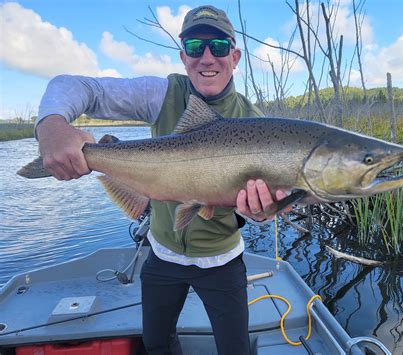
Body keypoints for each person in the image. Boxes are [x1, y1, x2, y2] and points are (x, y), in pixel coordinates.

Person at [35, 5, 288, 355]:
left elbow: (261, 211)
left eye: (217, 45)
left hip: (222, 262)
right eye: (196, 47)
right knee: (156, 343)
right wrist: (51, 124)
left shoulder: (256, 124)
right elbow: (74, 86)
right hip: (163, 255)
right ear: (183, 57)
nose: (207, 57)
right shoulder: (162, 94)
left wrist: (261, 213)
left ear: (235, 55)